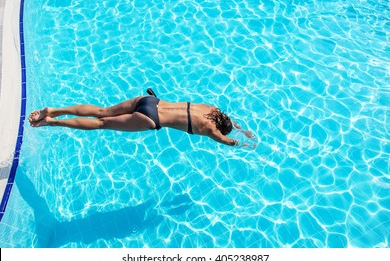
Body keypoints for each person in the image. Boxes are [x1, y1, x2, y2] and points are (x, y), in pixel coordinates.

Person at [28, 89, 256, 148]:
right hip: (150, 118)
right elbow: (226, 141)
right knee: (100, 124)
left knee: (101, 112)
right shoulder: (210, 130)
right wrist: (242, 141)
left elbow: (228, 119)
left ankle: (55, 109)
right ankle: (52, 122)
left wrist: (241, 127)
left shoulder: (209, 108)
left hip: (150, 102)